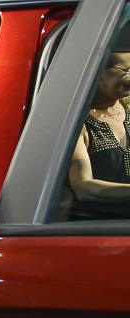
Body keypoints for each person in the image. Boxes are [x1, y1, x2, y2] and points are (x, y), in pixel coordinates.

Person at [68, 52, 130, 217]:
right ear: (98, 71)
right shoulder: (76, 122)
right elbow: (83, 187)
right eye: (127, 71)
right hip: (99, 224)